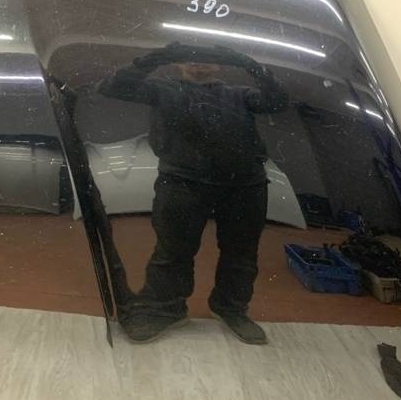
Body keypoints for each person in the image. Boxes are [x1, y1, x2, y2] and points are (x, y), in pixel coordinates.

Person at [98, 42, 289, 344]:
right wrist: (155, 56)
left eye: (210, 57)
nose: (199, 62)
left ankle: (231, 309)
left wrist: (249, 64)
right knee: (172, 250)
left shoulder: (240, 95)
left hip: (245, 185)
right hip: (182, 181)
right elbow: (111, 87)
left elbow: (278, 102)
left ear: (221, 63)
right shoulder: (162, 89)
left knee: (242, 253)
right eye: (189, 57)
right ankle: (164, 310)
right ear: (176, 62)